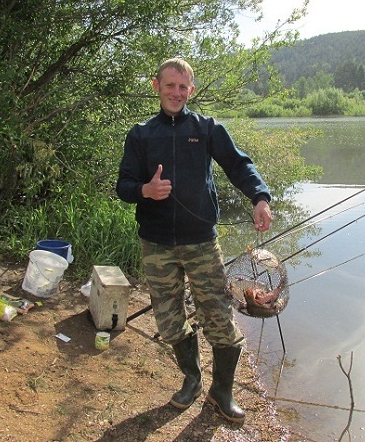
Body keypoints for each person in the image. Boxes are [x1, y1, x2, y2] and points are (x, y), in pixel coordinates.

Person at [116, 58, 272, 423]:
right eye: (169, 85)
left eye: (183, 87)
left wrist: (260, 197)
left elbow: (239, 165)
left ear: (192, 90)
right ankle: (192, 379)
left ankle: (222, 392)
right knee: (169, 320)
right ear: (156, 86)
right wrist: (145, 190)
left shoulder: (207, 129)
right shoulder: (140, 134)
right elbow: (123, 186)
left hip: (201, 242)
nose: (176, 93)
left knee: (219, 317)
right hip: (156, 244)